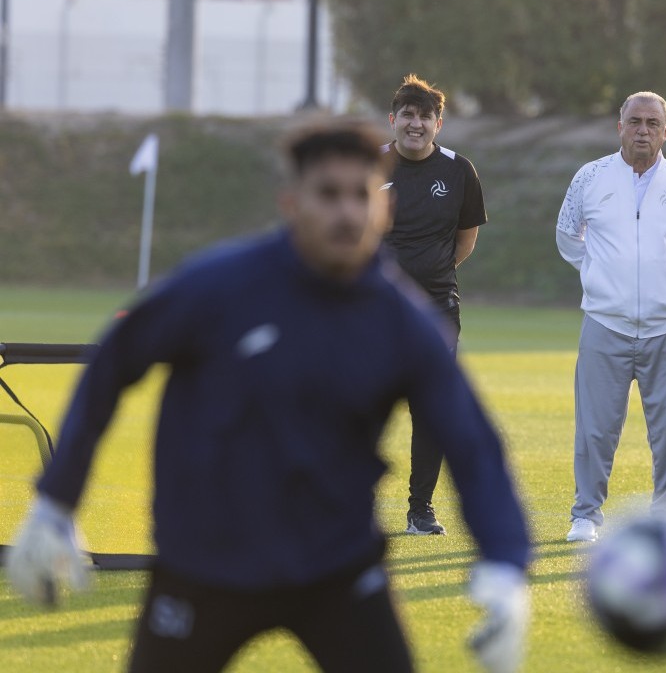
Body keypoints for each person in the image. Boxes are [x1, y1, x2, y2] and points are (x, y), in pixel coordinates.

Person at [5, 119, 531, 673]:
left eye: (362, 196)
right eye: (328, 194)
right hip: (204, 563)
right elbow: (113, 361)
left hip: (338, 567)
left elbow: (471, 444)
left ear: (384, 210)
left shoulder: (401, 322)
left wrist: (505, 565)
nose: (347, 212)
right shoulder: (219, 285)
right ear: (291, 203)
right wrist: (55, 501)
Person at [555, 91, 666, 543]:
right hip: (605, 323)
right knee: (595, 428)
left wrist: (664, 285)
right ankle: (586, 514)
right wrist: (602, 276)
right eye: (635, 121)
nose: (643, 130)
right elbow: (567, 236)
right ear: (619, 126)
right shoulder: (590, 176)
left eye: (652, 123)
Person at [382, 74, 489, 536]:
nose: (416, 124)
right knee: (352, 402)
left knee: (430, 410)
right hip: (372, 310)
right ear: (393, 120)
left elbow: (465, 240)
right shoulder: (369, 165)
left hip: (437, 310)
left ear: (438, 124)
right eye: (407, 115)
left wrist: (430, 273)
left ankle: (420, 510)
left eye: (425, 116)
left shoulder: (458, 170)